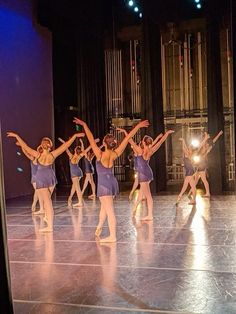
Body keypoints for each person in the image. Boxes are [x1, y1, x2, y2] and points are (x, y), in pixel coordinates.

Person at [73, 117, 149, 243]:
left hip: (104, 184)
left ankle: (112, 236)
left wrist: (84, 124)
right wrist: (138, 126)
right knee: (104, 208)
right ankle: (99, 227)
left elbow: (90, 138)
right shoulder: (115, 153)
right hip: (112, 182)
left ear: (104, 143)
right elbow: (127, 138)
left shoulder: (100, 153)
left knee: (109, 210)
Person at [7, 132, 85, 232]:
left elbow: (25, 147)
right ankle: (48, 219)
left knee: (47, 203)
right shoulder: (53, 154)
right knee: (48, 202)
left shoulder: (38, 155)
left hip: (42, 178)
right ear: (50, 146)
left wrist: (17, 136)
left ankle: (49, 226)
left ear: (42, 146)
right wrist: (74, 136)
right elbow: (66, 145)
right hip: (50, 177)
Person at [128, 130, 174, 220]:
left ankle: (150, 215)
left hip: (143, 175)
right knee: (141, 193)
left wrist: (125, 133)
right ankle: (134, 209)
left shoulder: (139, 151)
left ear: (142, 142)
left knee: (148, 196)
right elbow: (160, 142)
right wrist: (166, 134)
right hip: (147, 173)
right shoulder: (150, 150)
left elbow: (130, 140)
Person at [192, 130, 223, 198]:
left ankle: (208, 193)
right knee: (196, 179)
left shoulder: (207, 148)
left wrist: (219, 134)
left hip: (202, 165)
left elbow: (213, 141)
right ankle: (192, 191)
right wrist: (205, 137)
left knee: (203, 179)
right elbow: (202, 144)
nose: (205, 144)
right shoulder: (202, 145)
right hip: (199, 164)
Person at [176, 138, 196, 205]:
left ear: (191, 150)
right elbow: (184, 148)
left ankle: (192, 200)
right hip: (188, 171)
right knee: (186, 186)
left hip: (190, 171)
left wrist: (184, 141)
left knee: (192, 186)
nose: (188, 149)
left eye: (189, 148)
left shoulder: (189, 154)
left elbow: (184, 149)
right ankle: (179, 197)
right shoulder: (187, 154)